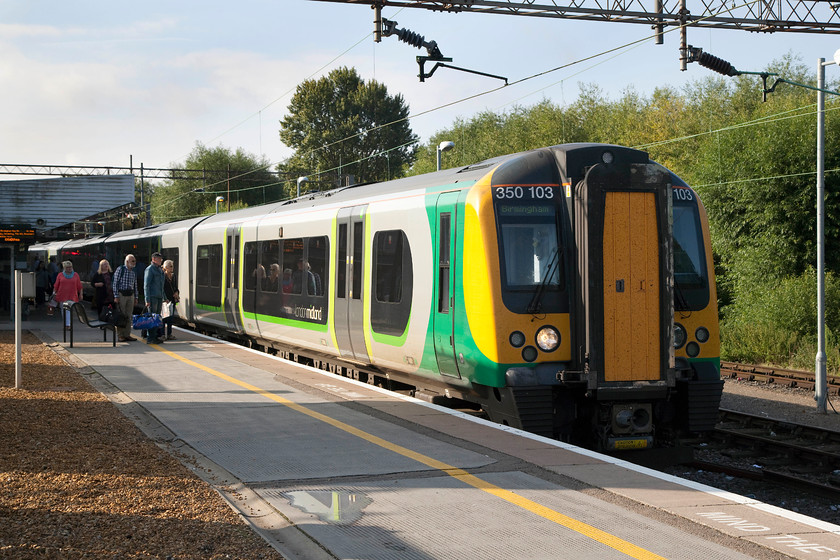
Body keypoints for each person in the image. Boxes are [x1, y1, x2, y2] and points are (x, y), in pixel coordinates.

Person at [112, 255, 138, 342]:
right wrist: (116, 296)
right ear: (127, 262)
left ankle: (127, 334)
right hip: (122, 294)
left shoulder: (133, 272)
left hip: (130, 294)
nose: (134, 263)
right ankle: (120, 335)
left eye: (134, 261)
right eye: (132, 261)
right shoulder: (120, 269)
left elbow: (135, 285)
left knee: (129, 316)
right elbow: (115, 283)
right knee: (121, 315)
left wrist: (136, 297)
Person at [52, 261, 82, 330]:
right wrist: (54, 293)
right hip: (62, 295)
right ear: (64, 268)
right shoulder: (60, 275)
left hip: (72, 295)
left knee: (69, 310)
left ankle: (68, 325)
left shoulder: (76, 275)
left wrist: (81, 294)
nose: (69, 269)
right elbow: (56, 285)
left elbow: (79, 286)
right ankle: (67, 324)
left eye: (70, 267)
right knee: (64, 310)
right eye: (68, 267)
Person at [143, 252, 165, 344]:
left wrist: (165, 297)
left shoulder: (159, 270)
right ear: (154, 259)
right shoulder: (150, 269)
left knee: (156, 318)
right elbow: (146, 285)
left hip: (159, 297)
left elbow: (161, 285)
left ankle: (155, 336)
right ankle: (150, 338)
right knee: (151, 318)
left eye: (161, 259)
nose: (160, 261)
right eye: (159, 259)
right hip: (152, 297)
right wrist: (147, 299)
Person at [162, 259, 179, 340]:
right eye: (170, 266)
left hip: (172, 300)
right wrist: (165, 298)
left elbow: (176, 287)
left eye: (172, 266)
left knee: (170, 318)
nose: (172, 268)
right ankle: (162, 334)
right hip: (165, 300)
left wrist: (177, 293)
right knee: (164, 318)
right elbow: (161, 288)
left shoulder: (174, 276)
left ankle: (169, 334)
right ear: (165, 267)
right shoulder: (163, 276)